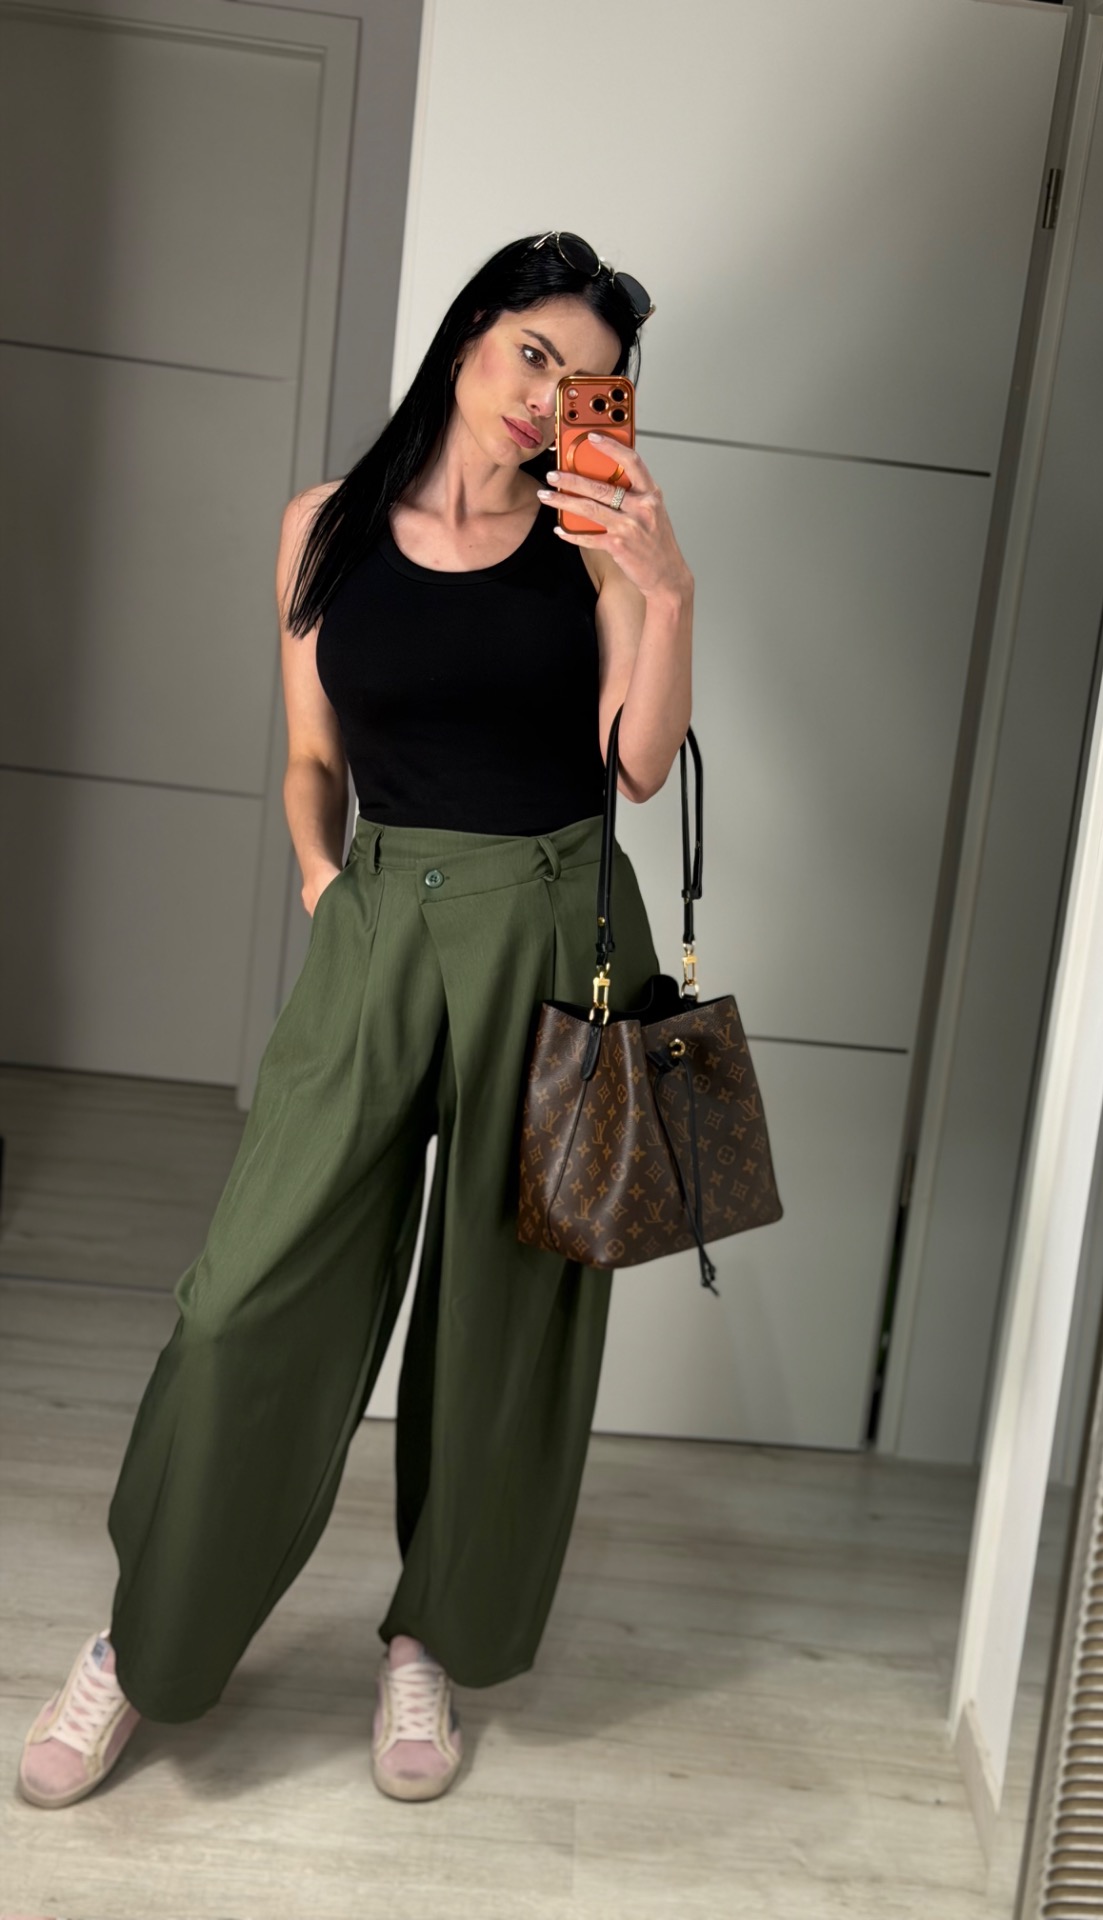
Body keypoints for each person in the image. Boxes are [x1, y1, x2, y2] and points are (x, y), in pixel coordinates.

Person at [17, 230, 694, 1808]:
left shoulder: (592, 544)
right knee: (242, 1299)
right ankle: (143, 1638)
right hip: (383, 921)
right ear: (470, 336)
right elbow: (312, 757)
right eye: (533, 353)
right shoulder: (322, 528)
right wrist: (329, 885)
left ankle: (426, 1640)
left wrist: (668, 586)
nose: (547, 397)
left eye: (586, 381)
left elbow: (641, 763)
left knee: (507, 1322)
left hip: (560, 919)